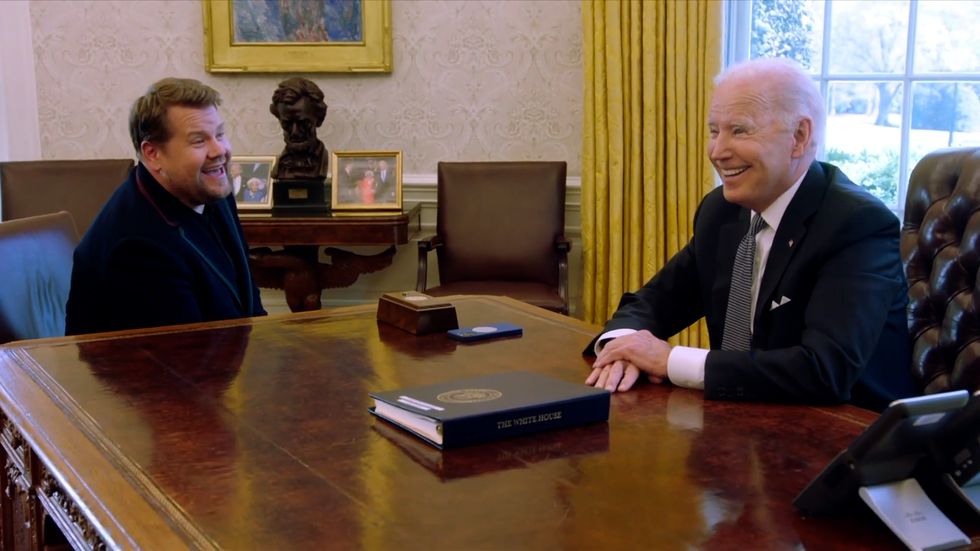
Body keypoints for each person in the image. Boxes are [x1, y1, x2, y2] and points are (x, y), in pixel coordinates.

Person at [585, 58, 916, 411]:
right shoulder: (722, 211)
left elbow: (823, 370)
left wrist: (669, 360)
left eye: (739, 131)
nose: (717, 151)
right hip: (741, 425)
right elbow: (653, 301)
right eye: (715, 131)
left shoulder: (856, 223)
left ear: (799, 137)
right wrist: (621, 347)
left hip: (848, 437)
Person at [65, 77, 266, 335]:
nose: (219, 151)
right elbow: (185, 358)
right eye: (198, 141)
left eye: (219, 134)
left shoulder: (210, 188)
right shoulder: (135, 246)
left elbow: (248, 299)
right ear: (153, 154)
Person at [269, 77, 329, 181]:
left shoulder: (322, 161)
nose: (295, 132)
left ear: (319, 120)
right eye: (287, 124)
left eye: (303, 123)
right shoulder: (280, 166)